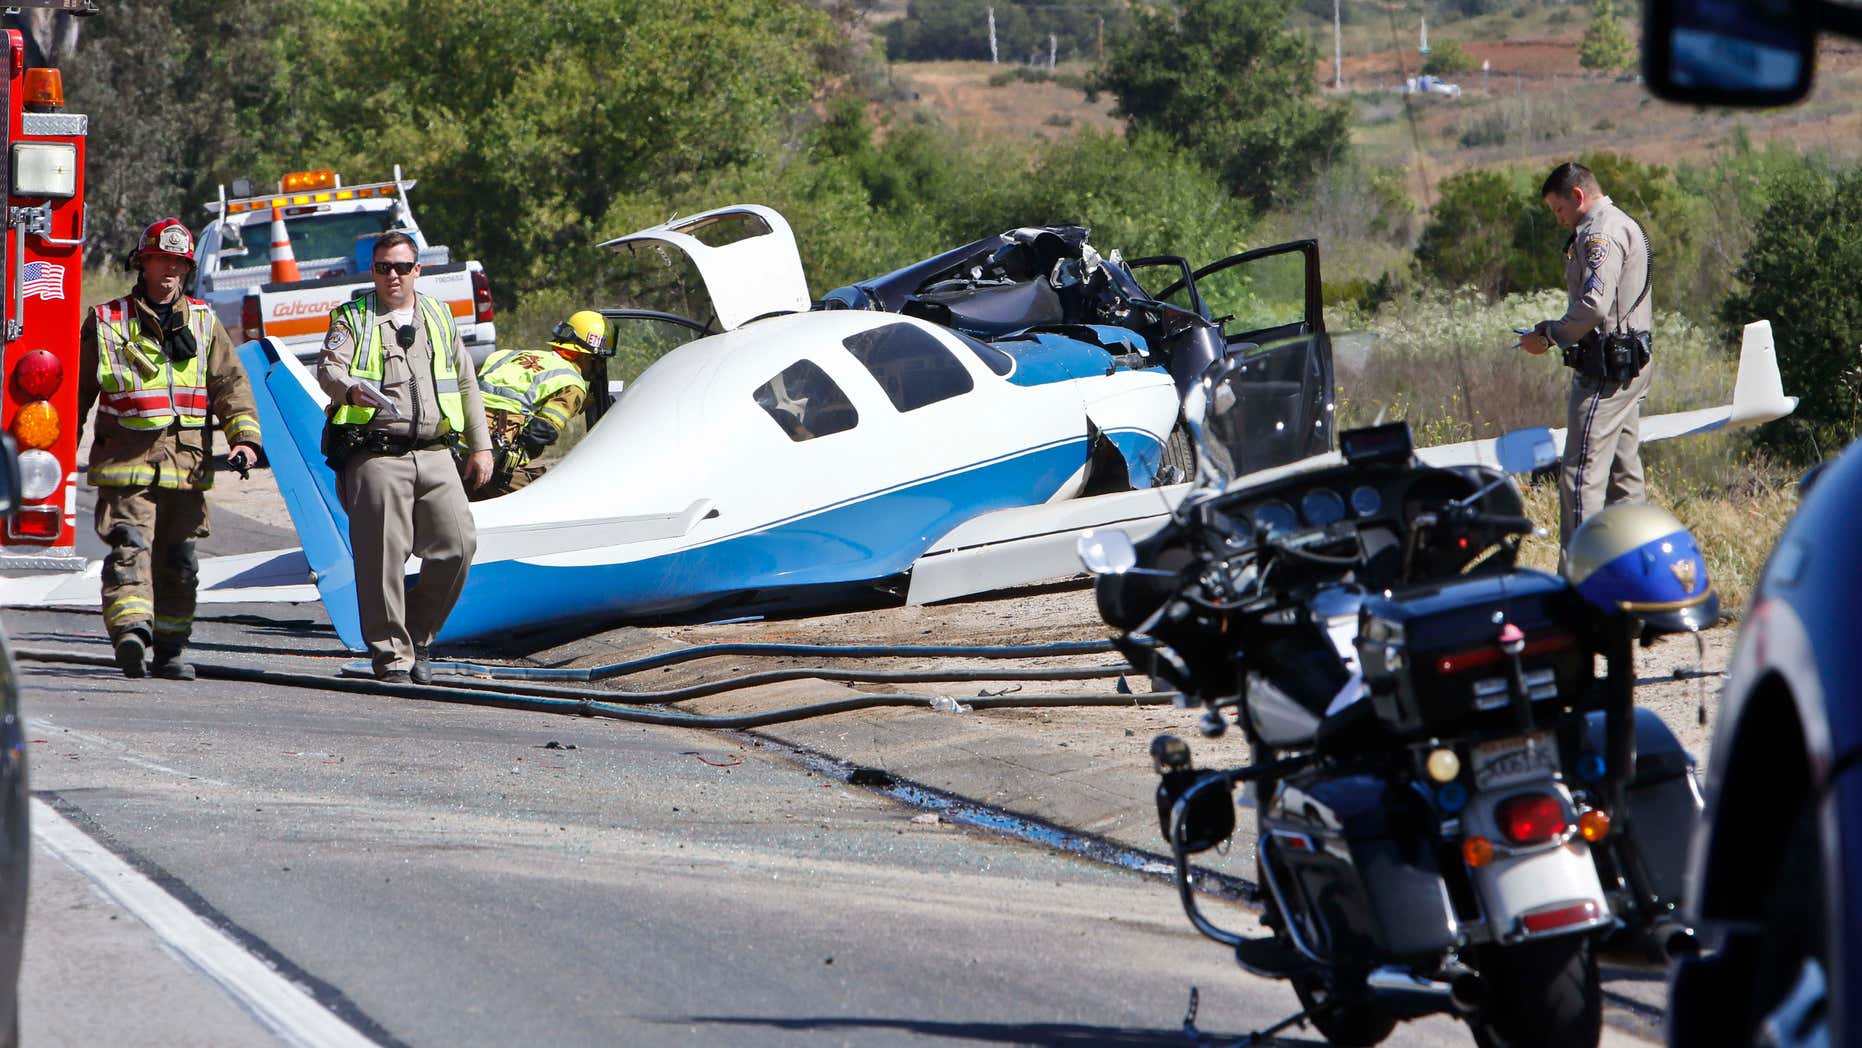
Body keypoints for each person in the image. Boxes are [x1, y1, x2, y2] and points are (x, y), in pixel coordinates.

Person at [76, 218, 264, 680]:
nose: (171, 271)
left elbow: (230, 385)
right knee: (130, 547)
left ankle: (170, 647)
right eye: (162, 260)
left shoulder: (203, 321)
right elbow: (78, 392)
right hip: (126, 464)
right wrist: (54, 452)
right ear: (143, 263)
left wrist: (245, 440)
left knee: (179, 562)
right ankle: (130, 634)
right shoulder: (106, 322)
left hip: (186, 467)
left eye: (179, 263)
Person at [316, 232, 494, 683]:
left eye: (400, 267)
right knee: (381, 559)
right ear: (373, 272)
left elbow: (467, 382)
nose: (391, 276)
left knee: (458, 545)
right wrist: (348, 388)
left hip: (435, 451)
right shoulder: (352, 319)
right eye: (382, 268)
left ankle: (418, 636)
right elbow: (329, 368)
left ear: (418, 270)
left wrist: (481, 445)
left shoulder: (438, 314)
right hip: (376, 454)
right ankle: (392, 657)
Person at [1517, 162, 1654, 548]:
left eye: (1559, 210)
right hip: (1630, 365)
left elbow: (1594, 305)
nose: (1559, 220)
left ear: (1577, 196)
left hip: (1604, 372)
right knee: (1623, 477)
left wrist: (1549, 337)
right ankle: (1634, 561)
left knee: (1580, 478)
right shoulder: (1620, 222)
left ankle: (1578, 579)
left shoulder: (1599, 233)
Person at [468, 310, 610, 501]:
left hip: (460, 448)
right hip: (493, 461)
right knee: (553, 505)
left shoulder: (507, 356)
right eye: (600, 360)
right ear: (586, 356)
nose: (601, 367)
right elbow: (542, 431)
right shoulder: (571, 382)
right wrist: (513, 459)